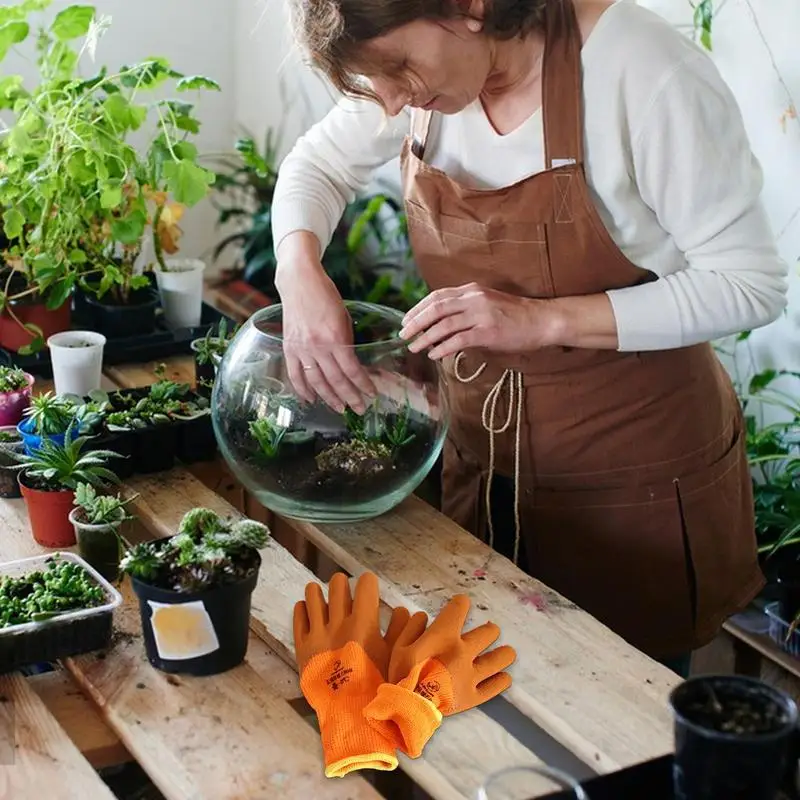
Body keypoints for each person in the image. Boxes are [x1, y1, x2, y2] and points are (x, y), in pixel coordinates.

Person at [269, 0, 789, 676]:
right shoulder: (415, 85)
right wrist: (298, 268)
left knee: (613, 734)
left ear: (470, 7)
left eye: (398, 68)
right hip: (485, 463)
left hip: (634, 479)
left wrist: (543, 319)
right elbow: (316, 166)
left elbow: (749, 283)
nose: (390, 100)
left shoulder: (640, 70)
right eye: (377, 82)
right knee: (486, 715)